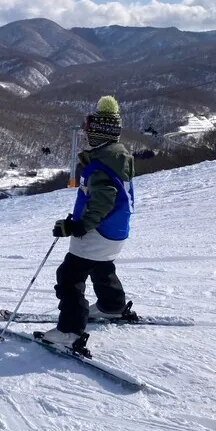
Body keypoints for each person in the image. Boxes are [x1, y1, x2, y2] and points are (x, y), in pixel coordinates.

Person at [43, 95, 135, 347]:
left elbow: (103, 201)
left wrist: (78, 226)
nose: (85, 135)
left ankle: (70, 331)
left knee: (70, 275)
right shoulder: (116, 158)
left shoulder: (101, 167)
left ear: (100, 134)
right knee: (101, 266)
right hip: (115, 231)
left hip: (97, 232)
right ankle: (111, 305)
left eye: (89, 131)